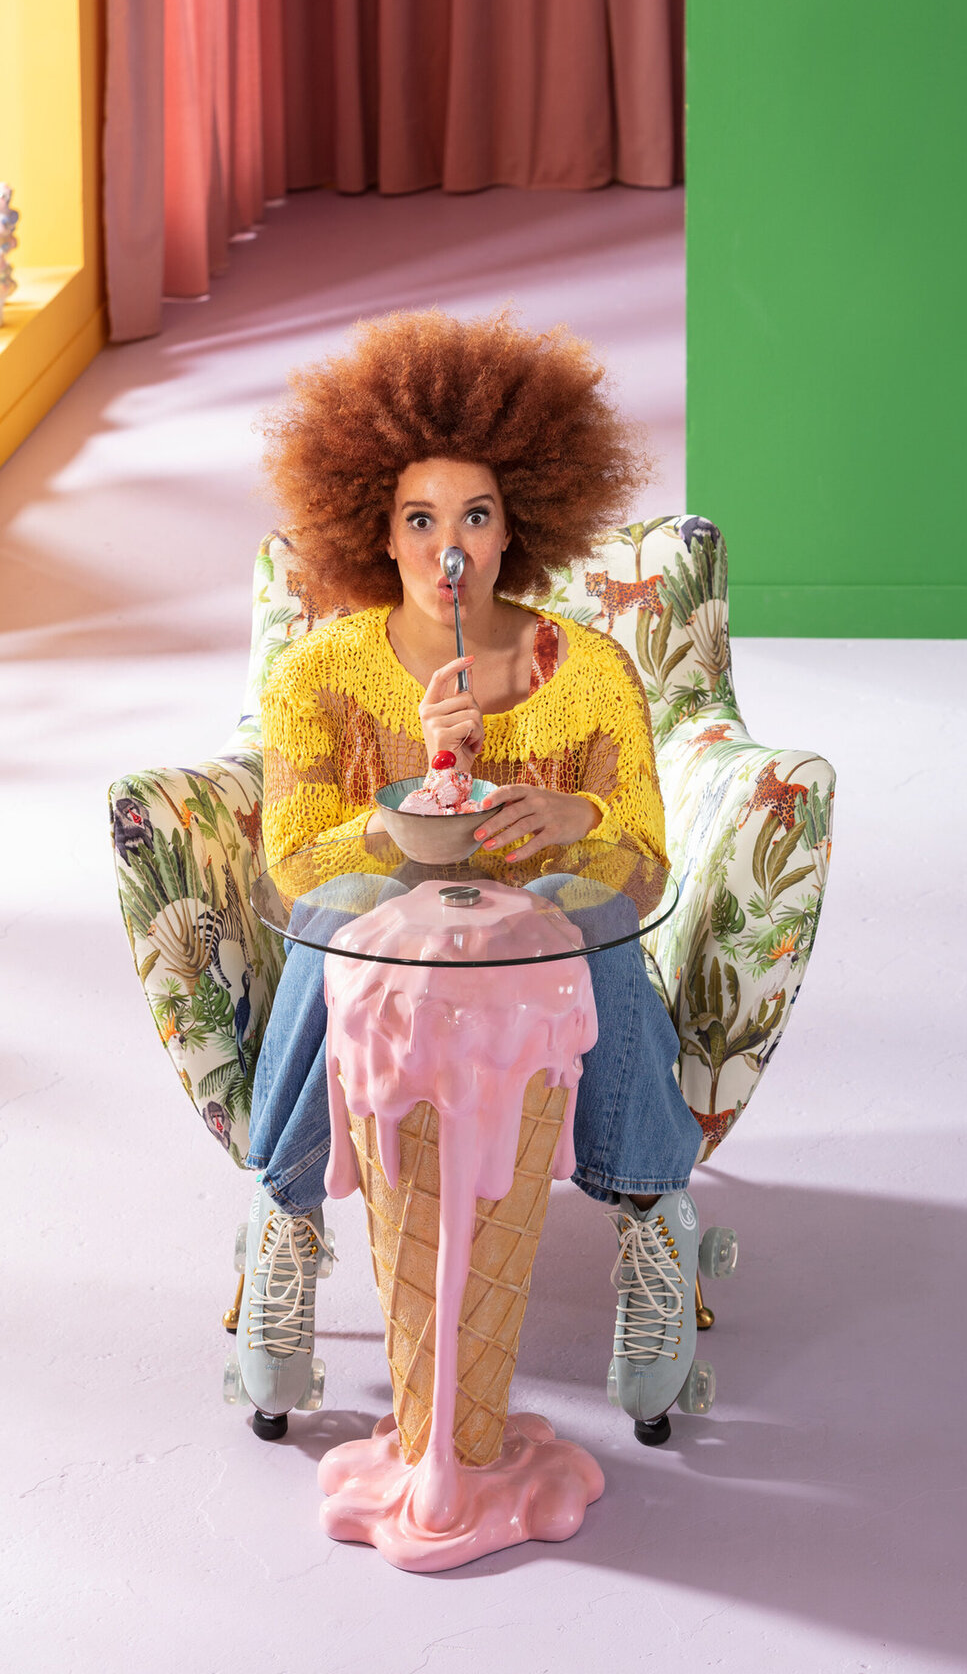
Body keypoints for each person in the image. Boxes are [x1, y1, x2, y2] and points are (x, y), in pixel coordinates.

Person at [237, 309, 704, 1444]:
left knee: (586, 909)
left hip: (534, 965)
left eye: (476, 516)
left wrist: (576, 817)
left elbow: (644, 865)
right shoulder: (318, 675)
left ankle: (653, 1217)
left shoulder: (589, 671)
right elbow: (294, 867)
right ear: (377, 531)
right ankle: (284, 1220)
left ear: (513, 532)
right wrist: (403, 815)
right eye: (420, 517)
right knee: (342, 912)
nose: (448, 545)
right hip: (387, 967)